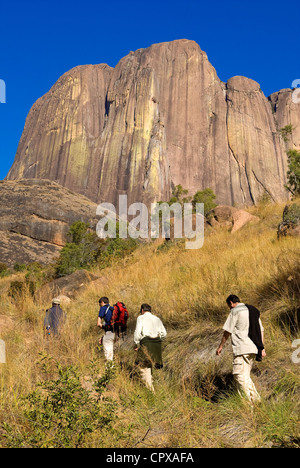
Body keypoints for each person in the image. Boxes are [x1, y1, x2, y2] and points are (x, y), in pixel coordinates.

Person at [216, 295, 266, 404]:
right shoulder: (253, 311)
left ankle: (248, 404)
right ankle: (257, 401)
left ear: (231, 303)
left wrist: (221, 346)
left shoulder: (235, 311)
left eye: (229, 306)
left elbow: (227, 331)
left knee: (239, 376)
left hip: (242, 348)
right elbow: (261, 330)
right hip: (253, 348)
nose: (230, 308)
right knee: (245, 376)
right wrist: (261, 347)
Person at [134, 304, 167, 392]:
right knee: (150, 365)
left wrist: (137, 344)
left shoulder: (140, 318)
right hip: (157, 344)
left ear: (142, 310)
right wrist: (158, 340)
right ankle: (151, 386)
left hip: (146, 343)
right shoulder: (157, 319)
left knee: (142, 366)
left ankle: (150, 391)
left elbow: (137, 332)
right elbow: (164, 333)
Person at [97, 297, 115, 361]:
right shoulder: (112, 308)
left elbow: (98, 324)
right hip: (117, 333)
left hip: (109, 332)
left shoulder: (103, 308)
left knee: (108, 355)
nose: (100, 306)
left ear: (102, 302)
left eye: (100, 304)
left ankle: (109, 370)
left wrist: (105, 327)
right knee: (111, 353)